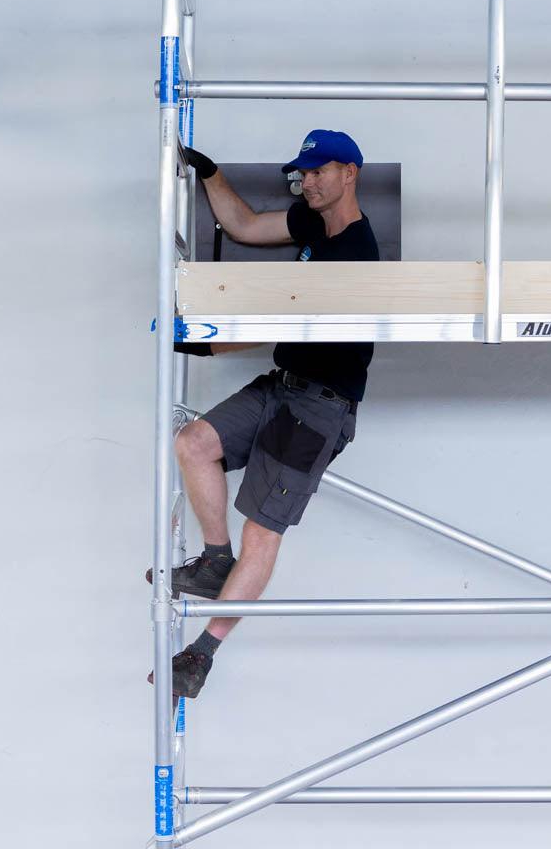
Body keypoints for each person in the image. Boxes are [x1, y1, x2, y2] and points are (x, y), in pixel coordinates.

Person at [148, 129, 380, 700]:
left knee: (261, 530)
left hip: (319, 406)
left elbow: (289, 327)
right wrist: (210, 174)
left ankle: (200, 655)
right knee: (194, 443)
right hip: (281, 385)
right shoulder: (313, 224)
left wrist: (205, 345)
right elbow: (247, 226)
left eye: (319, 172)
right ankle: (214, 562)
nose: (308, 182)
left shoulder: (354, 250)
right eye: (304, 173)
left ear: (350, 172)